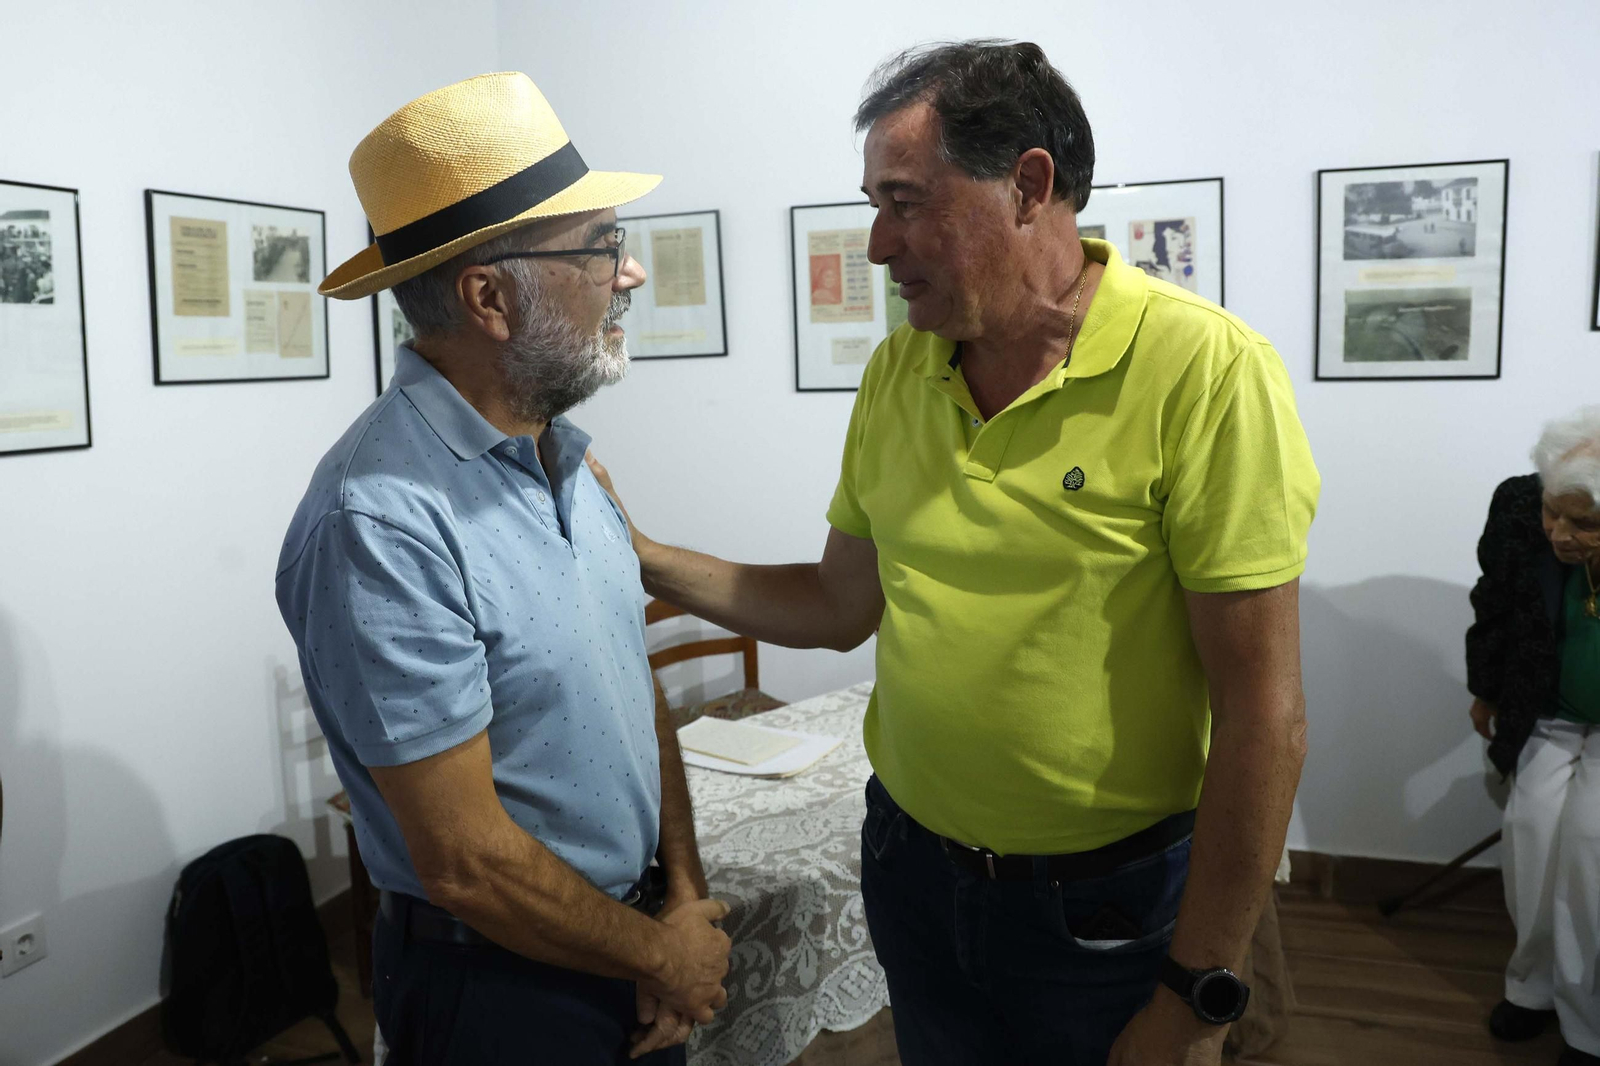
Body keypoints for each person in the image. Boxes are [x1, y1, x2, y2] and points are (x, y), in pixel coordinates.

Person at [590, 39, 1318, 1065]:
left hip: (1108, 908)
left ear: (1027, 184)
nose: (879, 244)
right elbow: (841, 602)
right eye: (874, 204)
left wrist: (1194, 994)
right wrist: (645, 556)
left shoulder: (1205, 372)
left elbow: (1265, 716)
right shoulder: (900, 368)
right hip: (913, 869)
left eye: (904, 200)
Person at [274, 72, 730, 1066]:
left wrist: (682, 895)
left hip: (629, 935)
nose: (630, 273)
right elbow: (469, 862)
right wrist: (663, 955)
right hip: (498, 994)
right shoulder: (379, 520)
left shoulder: (564, 458)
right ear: (488, 296)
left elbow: (630, 692)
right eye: (601, 246)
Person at [1467, 405, 1600, 1066]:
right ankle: (1531, 988)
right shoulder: (1519, 506)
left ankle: (1590, 1025)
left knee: (1590, 854)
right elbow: (1493, 600)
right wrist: (1485, 688)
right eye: (1556, 512)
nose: (1561, 534)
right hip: (1548, 707)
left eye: (1586, 522)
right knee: (1532, 835)